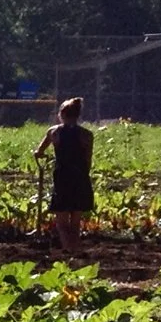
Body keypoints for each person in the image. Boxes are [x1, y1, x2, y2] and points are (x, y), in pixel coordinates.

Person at [35, 96, 94, 252]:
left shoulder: (54, 132)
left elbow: (39, 152)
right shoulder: (86, 135)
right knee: (75, 220)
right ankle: (76, 249)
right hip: (80, 178)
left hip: (62, 178)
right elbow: (88, 160)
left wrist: (40, 155)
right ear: (77, 115)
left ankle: (68, 250)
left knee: (61, 221)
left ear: (61, 114)